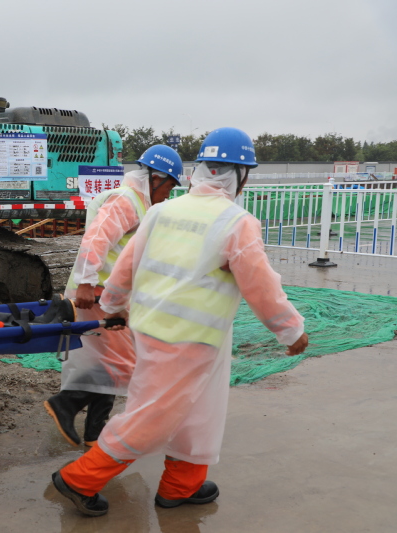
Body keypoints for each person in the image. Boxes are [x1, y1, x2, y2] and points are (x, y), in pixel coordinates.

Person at [51, 128, 309, 517]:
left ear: (200, 170)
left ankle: (180, 485)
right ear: (240, 176)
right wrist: (290, 330)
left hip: (160, 330)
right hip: (192, 339)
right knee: (153, 416)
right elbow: (261, 285)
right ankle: (80, 479)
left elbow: (125, 266)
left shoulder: (161, 212)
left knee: (200, 410)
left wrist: (115, 305)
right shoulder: (236, 223)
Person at [44, 145, 182, 447]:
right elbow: (97, 238)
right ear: (156, 179)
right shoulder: (127, 200)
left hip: (109, 295)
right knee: (124, 363)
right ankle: (65, 403)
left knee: (108, 360)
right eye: (169, 186)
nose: (168, 194)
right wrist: (85, 282)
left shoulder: (140, 204)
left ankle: (95, 432)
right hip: (97, 295)